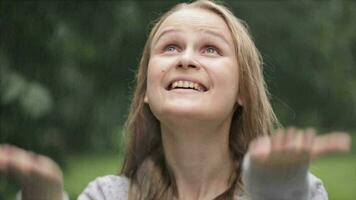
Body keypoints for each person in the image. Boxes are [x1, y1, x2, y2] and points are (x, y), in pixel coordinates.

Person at [0, 0, 351, 200]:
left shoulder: (291, 189)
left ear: (243, 91)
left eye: (210, 48)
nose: (185, 58)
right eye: (170, 47)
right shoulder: (108, 196)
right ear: (147, 93)